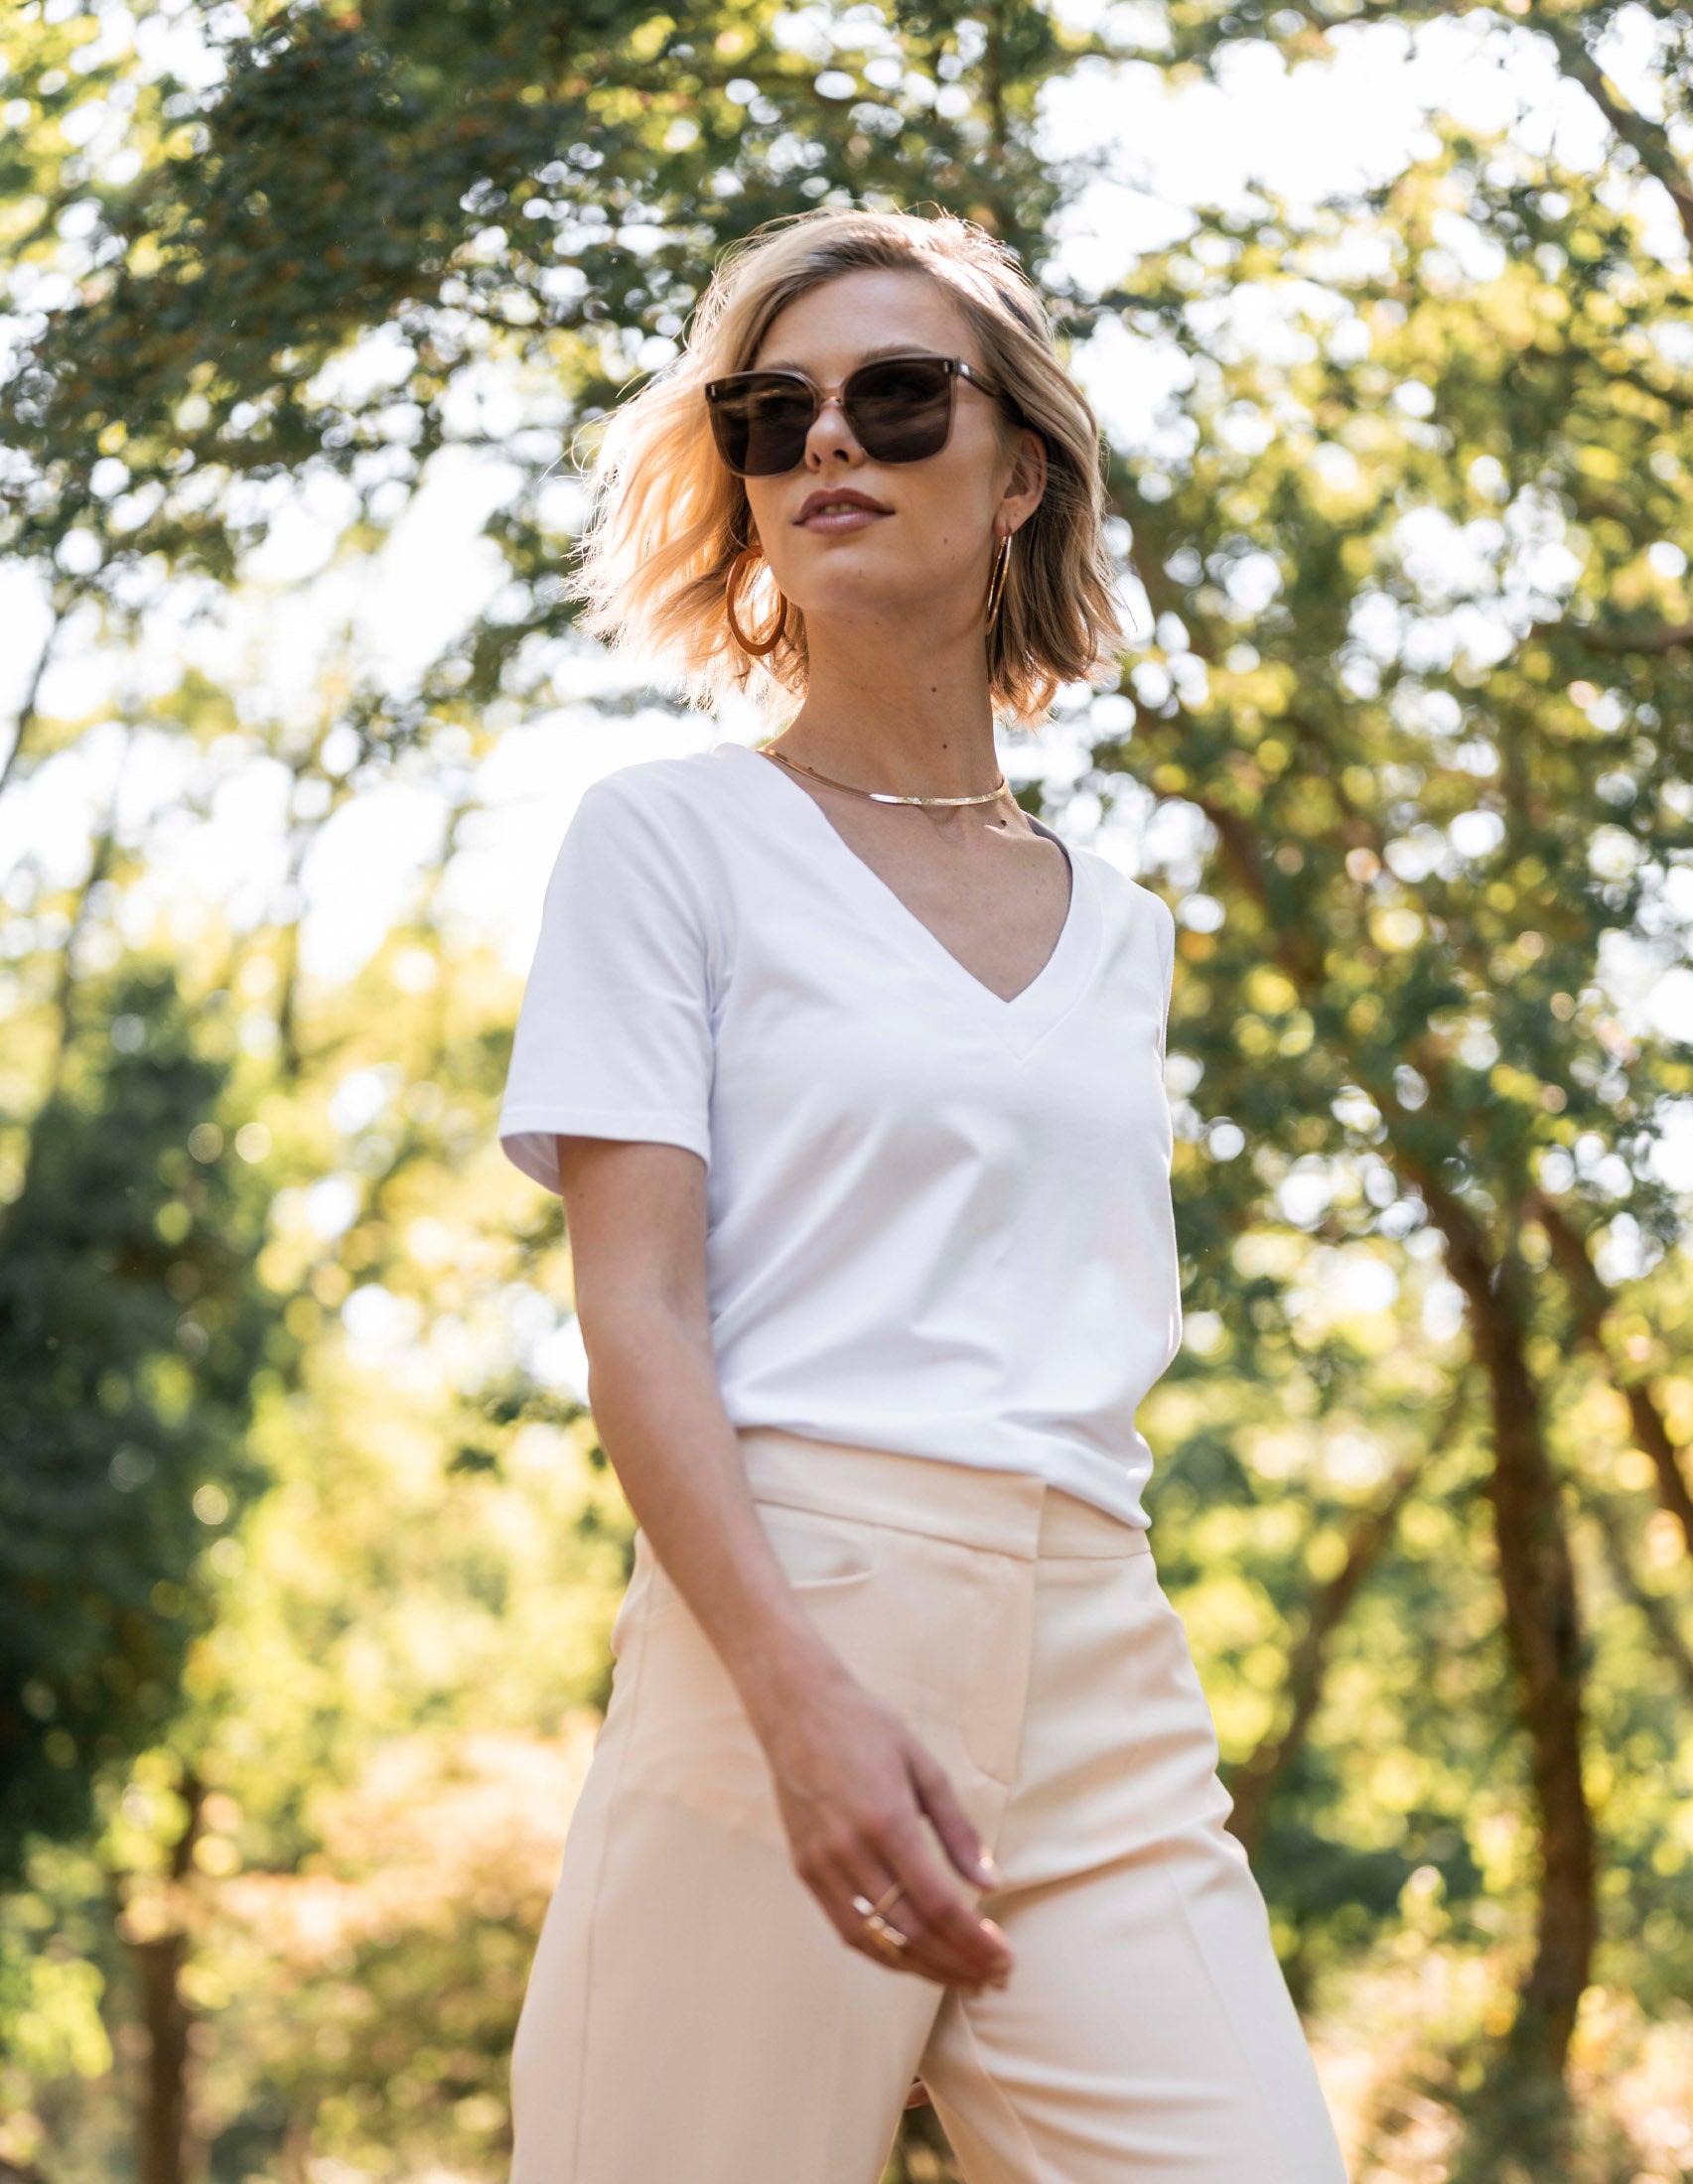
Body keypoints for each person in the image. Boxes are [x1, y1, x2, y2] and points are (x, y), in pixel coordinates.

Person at [495, 205, 1348, 2184]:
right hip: (786, 1611)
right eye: (768, 414)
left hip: (1098, 1649)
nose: (826, 448)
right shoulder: (667, 843)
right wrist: (798, 1698)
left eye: (892, 397)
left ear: (1020, 462)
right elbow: (638, 1311)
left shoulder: (1120, 929)